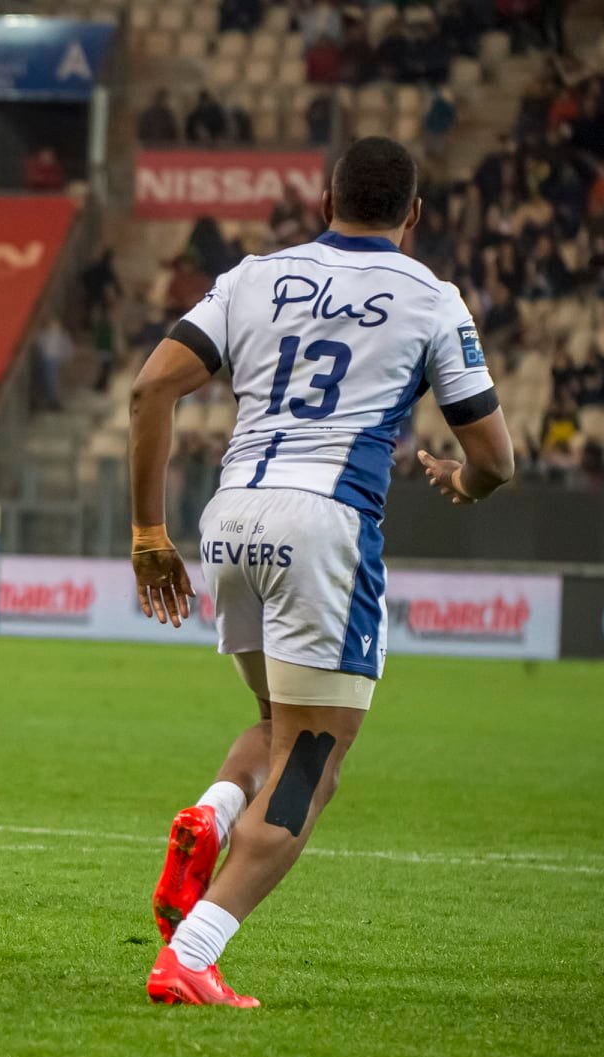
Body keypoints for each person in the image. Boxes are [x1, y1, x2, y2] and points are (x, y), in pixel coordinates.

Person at [127, 137, 514, 1006]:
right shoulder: (431, 297)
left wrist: (149, 532)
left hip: (231, 517)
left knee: (278, 724)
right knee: (313, 760)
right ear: (415, 215)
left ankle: (215, 809)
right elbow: (497, 457)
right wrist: (465, 482)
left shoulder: (252, 276)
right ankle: (192, 951)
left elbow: (150, 390)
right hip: (324, 523)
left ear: (325, 200)